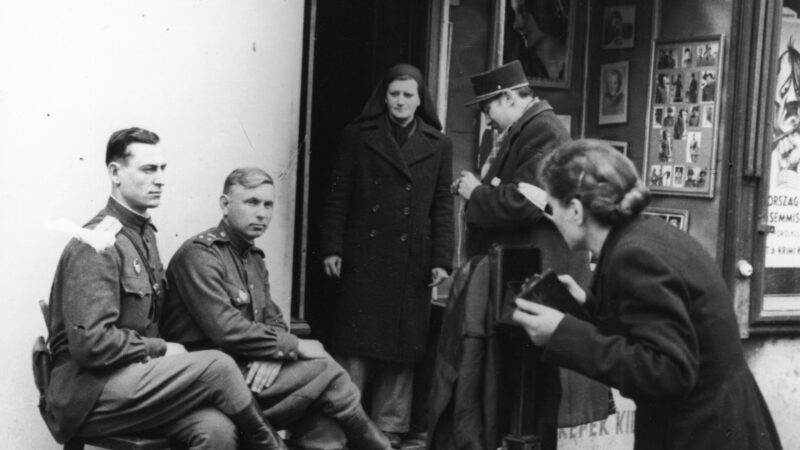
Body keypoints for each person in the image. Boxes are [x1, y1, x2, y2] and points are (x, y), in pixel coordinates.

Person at [512, 139, 783, 450]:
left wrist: (562, 333)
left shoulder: (634, 257)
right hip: (721, 424)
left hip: (703, 433)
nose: (552, 218)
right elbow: (656, 329)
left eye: (552, 207)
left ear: (575, 210)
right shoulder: (647, 235)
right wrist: (588, 307)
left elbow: (667, 371)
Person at [43, 128, 284, 449]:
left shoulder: (144, 236)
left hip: (138, 380)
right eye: (147, 169)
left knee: (216, 429)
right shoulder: (97, 243)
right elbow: (90, 344)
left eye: (162, 169)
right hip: (90, 392)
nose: (159, 179)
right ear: (115, 173)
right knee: (219, 366)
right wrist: (157, 349)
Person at [162, 168, 391, 450]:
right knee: (327, 370)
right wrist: (293, 346)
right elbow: (226, 330)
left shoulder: (253, 257)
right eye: (252, 202)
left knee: (322, 412)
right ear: (225, 205)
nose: (262, 213)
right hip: (204, 381)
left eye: (268, 204)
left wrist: (274, 355)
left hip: (245, 374)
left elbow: (274, 319)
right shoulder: (200, 255)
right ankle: (378, 445)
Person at [444, 61, 602, 450]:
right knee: (524, 377)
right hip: (526, 271)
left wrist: (475, 193)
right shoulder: (529, 130)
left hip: (539, 271)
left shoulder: (543, 131)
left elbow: (524, 200)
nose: (487, 118)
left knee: (535, 380)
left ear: (510, 97)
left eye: (488, 108)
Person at [320, 63, 454, 447]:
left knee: (402, 346)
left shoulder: (439, 143)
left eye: (407, 95)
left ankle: (390, 429)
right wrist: (332, 247)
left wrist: (442, 258)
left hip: (411, 259)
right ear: (384, 97)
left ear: (419, 99)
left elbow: (441, 204)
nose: (400, 101)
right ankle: (347, 423)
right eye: (394, 94)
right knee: (356, 344)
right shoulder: (358, 135)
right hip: (364, 254)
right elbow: (338, 194)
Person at [510, 0, 570, 81]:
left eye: (522, 11)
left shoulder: (577, 63)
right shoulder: (522, 67)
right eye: (514, 13)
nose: (516, 25)